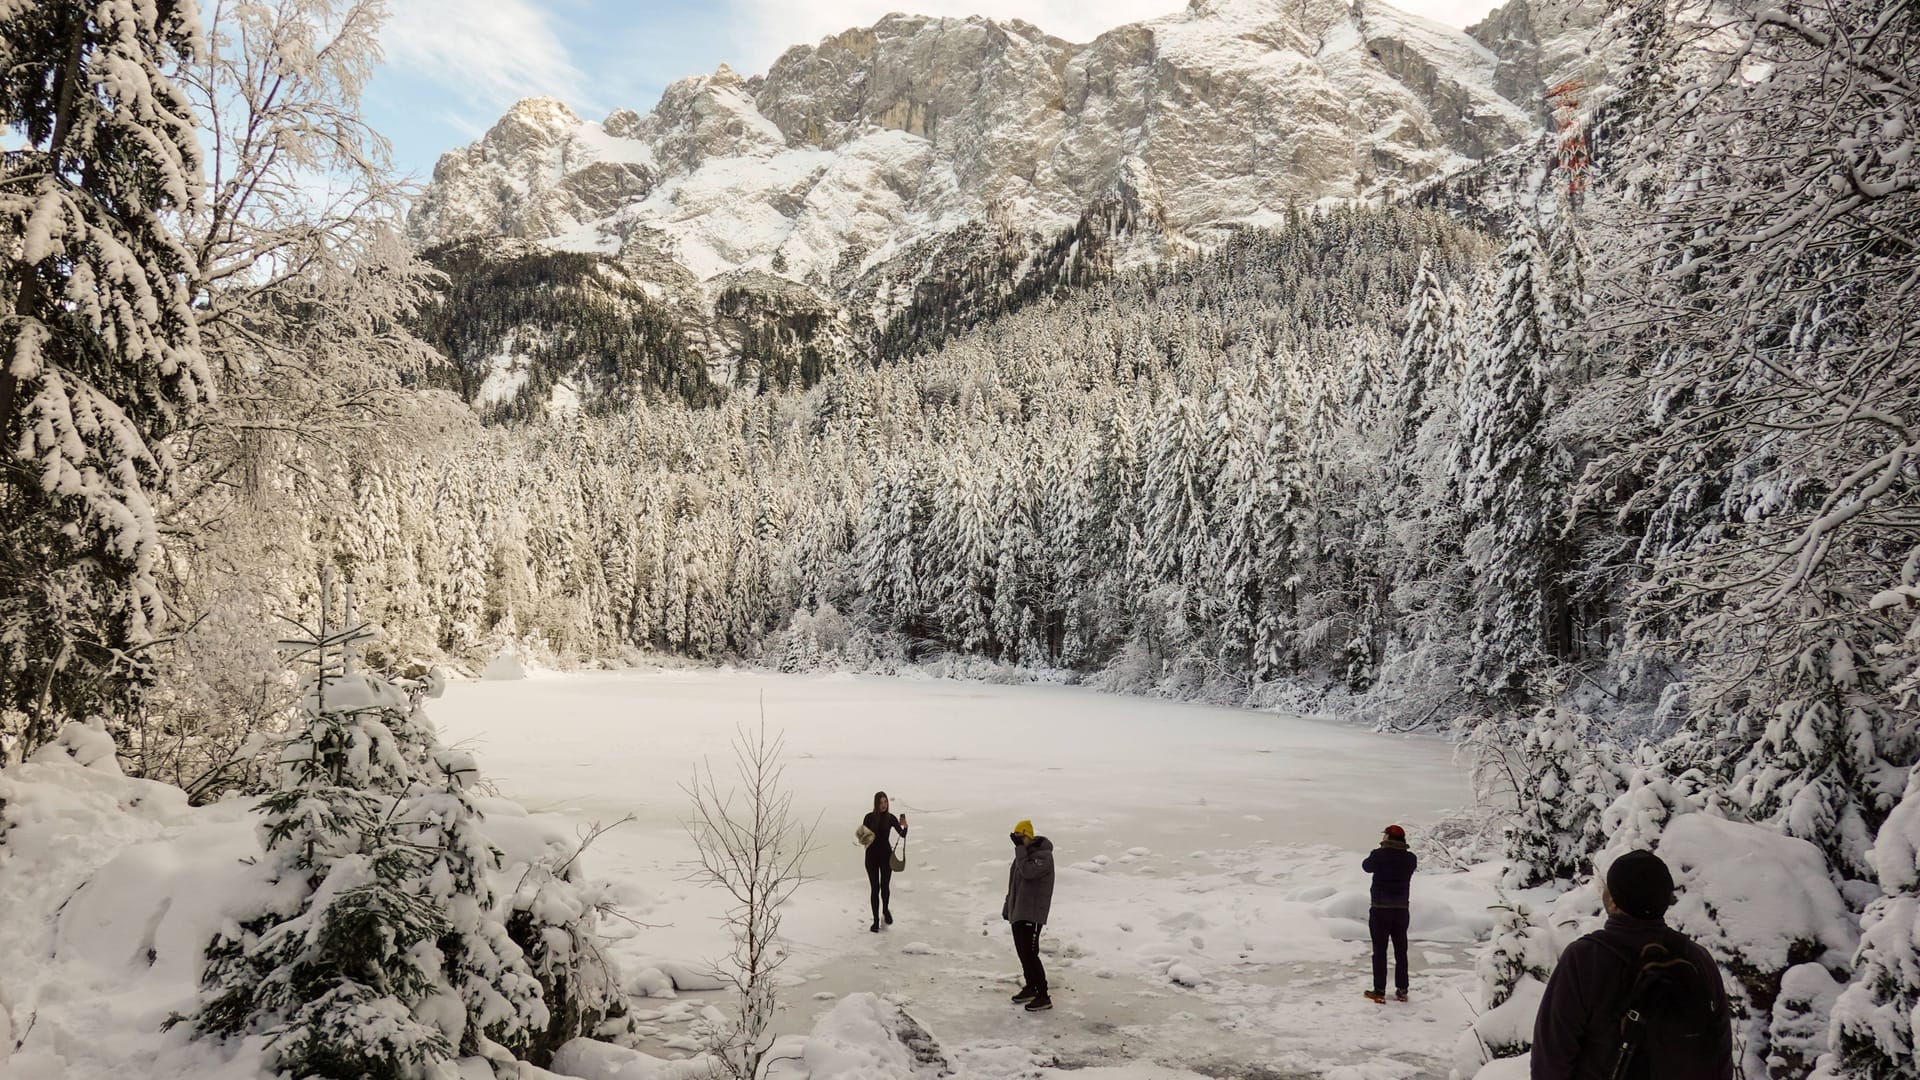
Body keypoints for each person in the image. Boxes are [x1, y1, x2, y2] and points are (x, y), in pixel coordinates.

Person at [1531, 849, 1734, 1080]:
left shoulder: (1584, 958)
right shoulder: (1696, 958)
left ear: (1614, 902)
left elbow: (1550, 1058)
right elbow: (1720, 1050)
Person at [1002, 818, 1056, 1012]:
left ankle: (1043, 994)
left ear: (1028, 836)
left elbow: (1028, 873)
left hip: (1032, 914)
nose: (1017, 843)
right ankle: (1031, 987)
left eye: (1019, 838)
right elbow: (1013, 884)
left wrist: (1020, 851)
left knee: (1031, 954)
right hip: (1019, 912)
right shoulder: (1022, 856)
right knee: (1022, 953)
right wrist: (1008, 907)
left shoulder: (1043, 857)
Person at [1362, 824, 1416, 1003]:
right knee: (1401, 950)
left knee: (1380, 951)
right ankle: (1402, 990)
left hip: (1380, 909)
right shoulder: (1410, 859)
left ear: (1387, 837)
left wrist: (1380, 849)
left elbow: (1366, 867)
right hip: (1401, 910)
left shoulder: (1378, 855)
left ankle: (1379, 991)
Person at [858, 791, 908, 933]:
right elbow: (863, 840)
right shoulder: (868, 818)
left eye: (885, 802)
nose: (883, 805)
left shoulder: (890, 818)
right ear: (876, 803)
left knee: (885, 886)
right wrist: (866, 837)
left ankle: (885, 910)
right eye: (881, 802)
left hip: (886, 857)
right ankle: (875, 921)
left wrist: (905, 826)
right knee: (875, 888)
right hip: (871, 857)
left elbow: (902, 834)